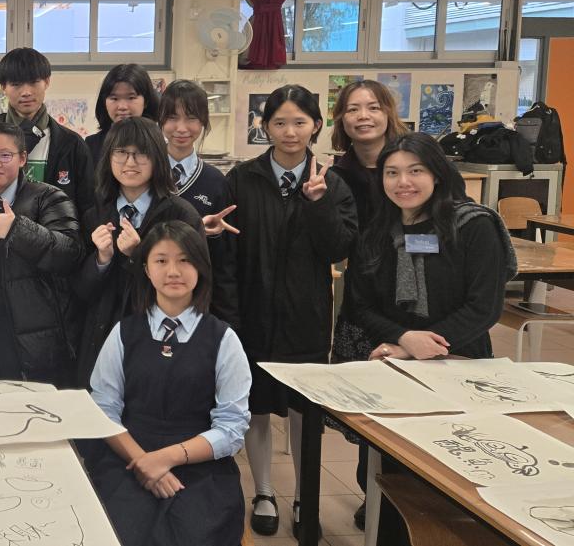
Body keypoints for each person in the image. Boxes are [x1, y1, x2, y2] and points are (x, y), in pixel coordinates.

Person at [220, 84, 356, 538]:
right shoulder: (242, 179)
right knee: (254, 407)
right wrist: (231, 317)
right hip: (252, 314)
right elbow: (229, 255)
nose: (290, 131)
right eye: (279, 122)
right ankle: (263, 491)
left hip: (306, 318)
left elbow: (338, 248)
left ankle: (304, 495)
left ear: (316, 125)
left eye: (300, 122)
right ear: (265, 127)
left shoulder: (332, 183)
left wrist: (318, 204)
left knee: (303, 412)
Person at [89, 221, 251, 546]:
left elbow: (232, 427)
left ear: (200, 268)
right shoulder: (123, 333)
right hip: (129, 458)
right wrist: (143, 463)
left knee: (198, 533)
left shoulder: (223, 339)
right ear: (146, 269)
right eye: (161, 260)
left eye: (185, 260)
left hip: (200, 464)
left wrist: (165, 459)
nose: (173, 271)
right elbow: (103, 411)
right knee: (119, 530)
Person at [325, 79, 409, 528]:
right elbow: (338, 243)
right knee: (368, 407)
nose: (363, 116)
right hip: (363, 300)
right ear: (341, 119)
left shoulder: (414, 160)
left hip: (416, 297)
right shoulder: (337, 174)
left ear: (388, 112)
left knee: (411, 404)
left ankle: (410, 495)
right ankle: (372, 491)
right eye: (353, 109)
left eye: (373, 107)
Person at [349, 133, 515, 362]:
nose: (403, 182)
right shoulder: (376, 231)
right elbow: (361, 306)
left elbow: (484, 307)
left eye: (415, 171)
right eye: (392, 173)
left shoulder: (473, 226)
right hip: (390, 355)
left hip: (459, 356)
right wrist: (403, 338)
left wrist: (417, 348)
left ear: (436, 175)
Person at [73, 116, 203, 389]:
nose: (130, 163)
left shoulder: (180, 215)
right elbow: (81, 291)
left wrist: (138, 255)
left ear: (157, 158)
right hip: (101, 338)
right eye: (121, 152)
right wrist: (101, 260)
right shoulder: (95, 214)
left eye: (141, 153)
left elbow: (194, 285)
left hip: (159, 337)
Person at [0, 122, 83, 384]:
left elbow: (70, 252)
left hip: (34, 335)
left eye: (5, 155)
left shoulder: (49, 198)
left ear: (22, 158)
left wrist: (17, 228)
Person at [0, 47, 95, 226]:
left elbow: (87, 207)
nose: (26, 92)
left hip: (55, 239)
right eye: (16, 84)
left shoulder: (71, 143)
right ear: (3, 87)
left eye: (34, 82)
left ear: (47, 82)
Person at [158, 79, 239, 327]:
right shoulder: (147, 174)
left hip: (199, 303)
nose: (181, 128)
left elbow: (224, 261)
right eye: (172, 117)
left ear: (203, 121)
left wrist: (228, 321)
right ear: (160, 120)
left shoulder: (215, 182)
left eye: (191, 118)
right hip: (151, 297)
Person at [86, 63, 162, 164]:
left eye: (131, 98)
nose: (122, 107)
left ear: (146, 101)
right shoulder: (91, 145)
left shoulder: (157, 142)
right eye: (114, 98)